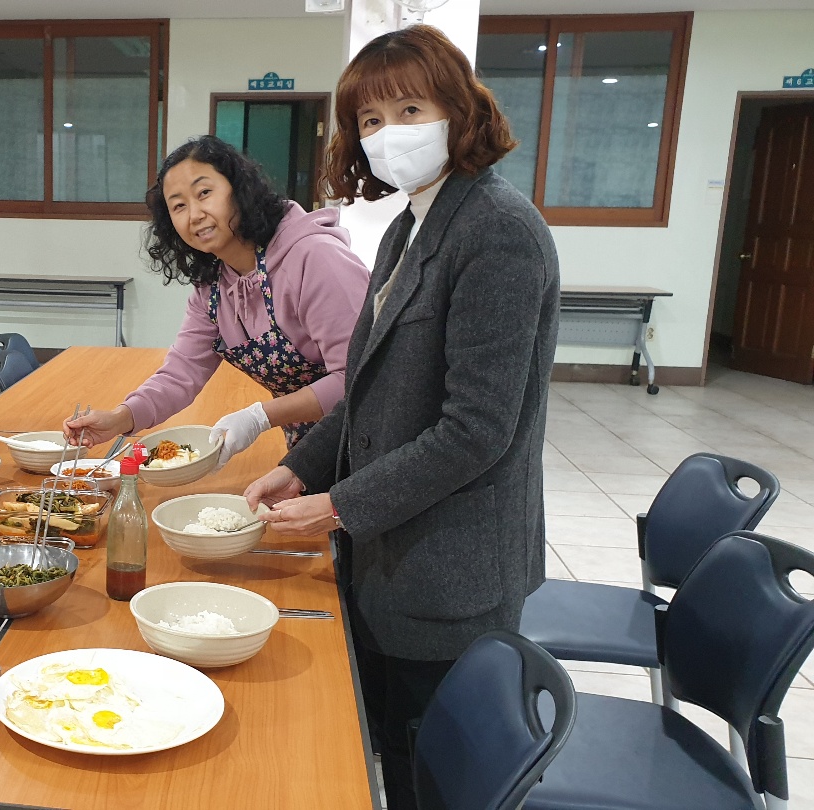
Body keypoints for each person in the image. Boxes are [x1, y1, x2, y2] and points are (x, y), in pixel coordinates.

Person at [243, 25, 559, 810]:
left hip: (450, 566)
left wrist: (340, 505)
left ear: (459, 108)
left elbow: (476, 430)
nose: (390, 135)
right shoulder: (411, 225)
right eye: (371, 120)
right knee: (388, 747)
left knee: (436, 774)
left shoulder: (498, 230)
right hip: (390, 555)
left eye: (410, 110)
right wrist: (301, 467)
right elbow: (370, 389)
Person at [64, 135, 368, 468]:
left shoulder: (316, 258)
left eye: (204, 193)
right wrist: (121, 418)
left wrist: (259, 417)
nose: (194, 215)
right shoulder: (213, 287)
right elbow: (182, 372)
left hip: (367, 440)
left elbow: (358, 379)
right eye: (178, 206)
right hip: (311, 448)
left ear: (239, 190)